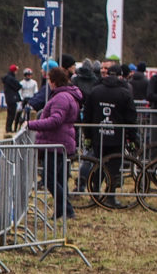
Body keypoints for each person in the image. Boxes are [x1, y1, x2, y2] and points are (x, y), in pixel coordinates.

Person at [27, 66, 82, 220]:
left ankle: (67, 209)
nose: (48, 83)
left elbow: (55, 120)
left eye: (49, 80)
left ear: (54, 81)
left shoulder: (61, 97)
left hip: (55, 143)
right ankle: (61, 211)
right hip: (60, 142)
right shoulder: (66, 95)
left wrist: (32, 124)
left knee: (49, 178)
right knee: (58, 179)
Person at [82, 62, 138, 207]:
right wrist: (132, 138)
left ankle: (94, 196)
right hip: (117, 137)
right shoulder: (125, 93)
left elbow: (87, 115)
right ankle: (110, 197)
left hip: (98, 135)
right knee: (113, 168)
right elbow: (131, 118)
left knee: (98, 166)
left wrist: (87, 135)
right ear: (120, 76)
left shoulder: (95, 91)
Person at [1, 64, 22, 134]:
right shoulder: (10, 78)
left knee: (10, 113)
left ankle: (8, 128)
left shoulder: (7, 78)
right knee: (11, 114)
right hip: (12, 98)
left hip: (9, 98)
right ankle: (8, 128)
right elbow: (18, 86)